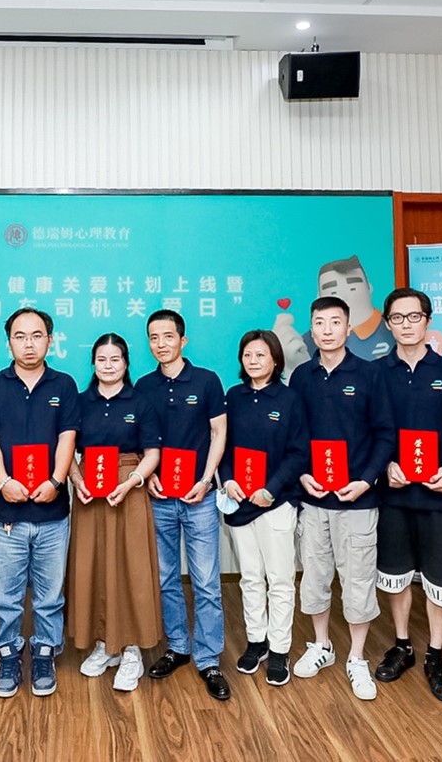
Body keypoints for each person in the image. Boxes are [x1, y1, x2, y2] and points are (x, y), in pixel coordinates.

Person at [289, 295, 396, 701]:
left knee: (358, 580)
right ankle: (322, 645)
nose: (327, 330)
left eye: (336, 322)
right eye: (320, 322)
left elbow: (385, 434)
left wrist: (366, 481)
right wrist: (302, 474)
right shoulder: (302, 377)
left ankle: (356, 656)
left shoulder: (370, 374)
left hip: (358, 500)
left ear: (348, 328)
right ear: (312, 329)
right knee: (314, 577)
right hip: (314, 497)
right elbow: (295, 436)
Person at [373, 289, 442, 703]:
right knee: (396, 575)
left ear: (428, 320)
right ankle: (402, 645)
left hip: (440, 497)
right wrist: (386, 466)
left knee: (441, 578)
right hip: (394, 497)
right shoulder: (376, 373)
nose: (406, 324)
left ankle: (436, 655)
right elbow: (368, 433)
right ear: (387, 324)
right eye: (397, 318)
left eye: (414, 316)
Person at [0, 307, 80, 698]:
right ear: (9, 342)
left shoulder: (64, 385)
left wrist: (56, 481)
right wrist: (2, 482)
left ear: (49, 340)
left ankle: (44, 652)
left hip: (52, 510)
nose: (29, 344)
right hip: (6, 511)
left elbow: (67, 437)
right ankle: (8, 651)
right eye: (20, 336)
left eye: (37, 336)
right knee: (6, 594)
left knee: (50, 594)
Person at [135, 309, 230, 701]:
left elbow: (219, 432)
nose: (161, 344)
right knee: (165, 577)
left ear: (183, 340)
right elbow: (140, 438)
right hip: (159, 498)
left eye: (168, 336)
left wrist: (206, 480)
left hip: (199, 498)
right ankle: (178, 646)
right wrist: (148, 475)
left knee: (206, 581)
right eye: (154, 337)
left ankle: (208, 658)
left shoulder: (207, 381)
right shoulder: (143, 385)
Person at [68, 333, 163, 693]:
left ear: (126, 363)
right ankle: (104, 643)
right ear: (93, 363)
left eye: (115, 359)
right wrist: (76, 479)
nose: (108, 366)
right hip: (89, 492)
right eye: (101, 359)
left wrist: (134, 481)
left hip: (128, 489)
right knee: (91, 565)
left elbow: (152, 452)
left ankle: (132, 648)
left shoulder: (141, 401)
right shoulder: (80, 401)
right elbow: (68, 450)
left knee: (130, 567)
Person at [217, 330, 309, 687]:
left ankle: (280, 648)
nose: (253, 361)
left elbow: (298, 452)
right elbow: (222, 445)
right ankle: (257, 641)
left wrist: (271, 489)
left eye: (261, 355)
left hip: (276, 503)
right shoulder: (233, 396)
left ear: (275, 360)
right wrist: (228, 479)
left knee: (280, 579)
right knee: (250, 577)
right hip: (240, 502)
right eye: (248, 355)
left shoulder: (289, 398)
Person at [274, 255, 394, 378]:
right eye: (333, 292)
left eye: (352, 288)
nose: (344, 297)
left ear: (369, 288)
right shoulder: (307, 342)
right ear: (319, 296)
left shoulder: (392, 330)